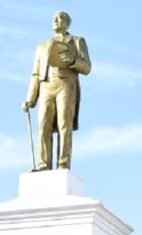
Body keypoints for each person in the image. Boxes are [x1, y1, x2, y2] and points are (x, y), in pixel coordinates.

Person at [23, 10, 91, 171]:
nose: (55, 20)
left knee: (64, 124)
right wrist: (30, 98)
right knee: (44, 125)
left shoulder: (77, 41)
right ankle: (43, 164)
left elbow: (87, 67)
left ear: (68, 23)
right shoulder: (42, 46)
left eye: (60, 18)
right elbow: (35, 73)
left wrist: (74, 60)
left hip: (66, 83)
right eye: (54, 18)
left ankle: (63, 164)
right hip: (46, 85)